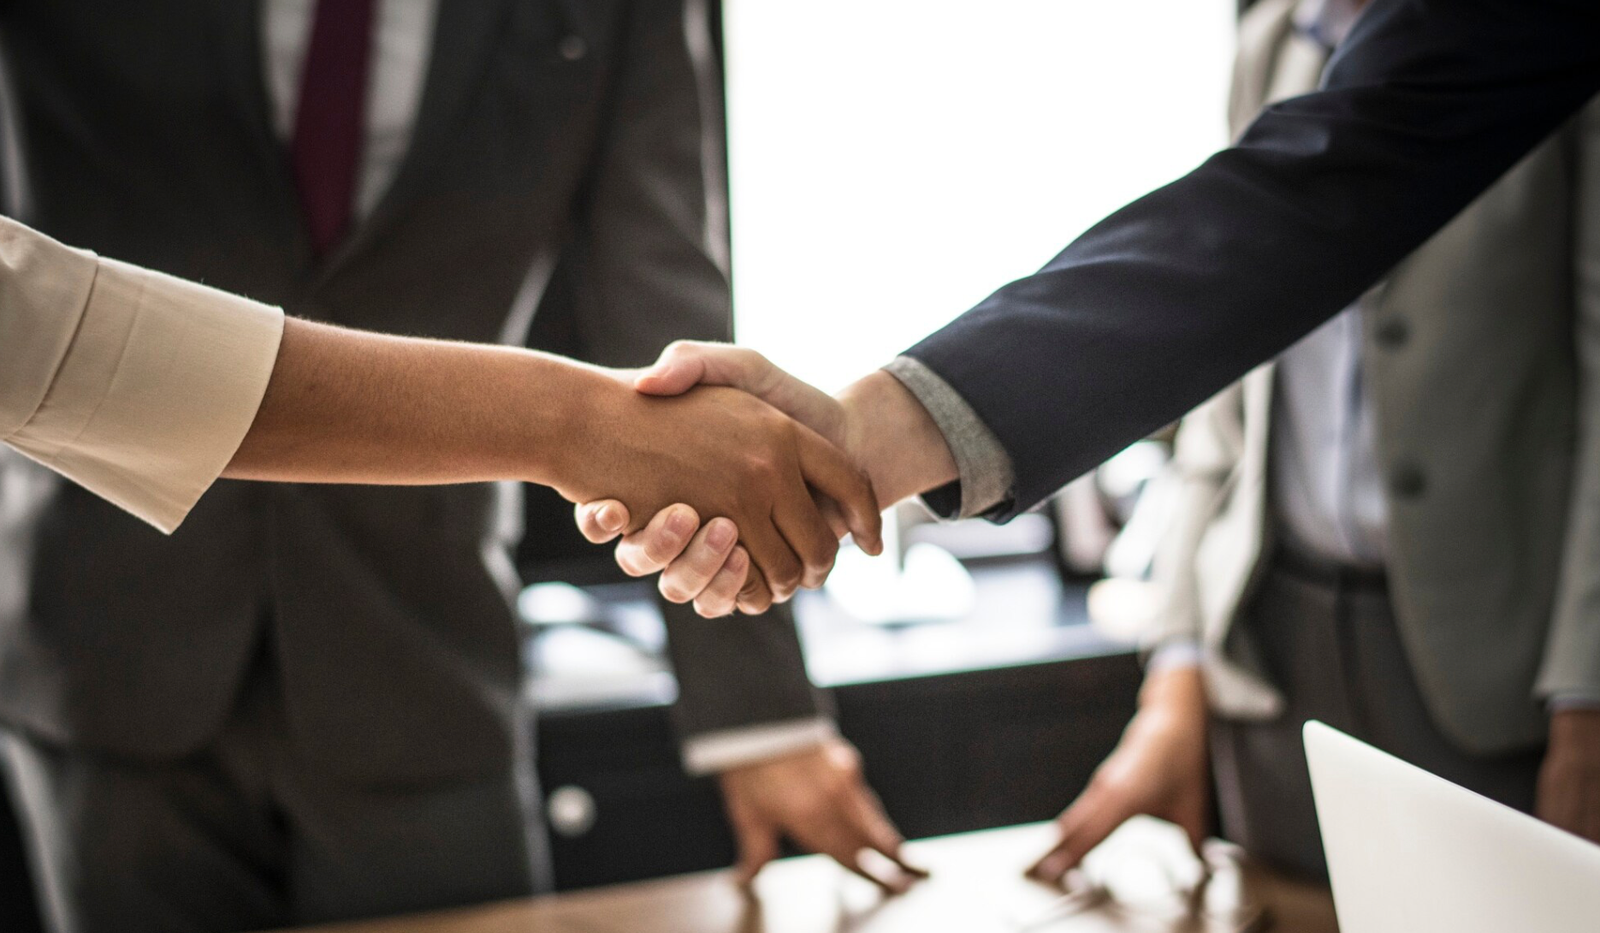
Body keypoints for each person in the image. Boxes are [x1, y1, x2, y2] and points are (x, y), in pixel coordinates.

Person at [576, 0, 1600, 861]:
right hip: (1274, 652)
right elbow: (1251, 258)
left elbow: (1326, 181)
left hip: (1497, 661)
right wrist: (858, 435)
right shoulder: (1274, 37)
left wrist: (852, 442)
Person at [0, 4, 907, 932]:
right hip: (98, 634)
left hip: (420, 654)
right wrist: (565, 424)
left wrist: (760, 713)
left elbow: (665, 313)